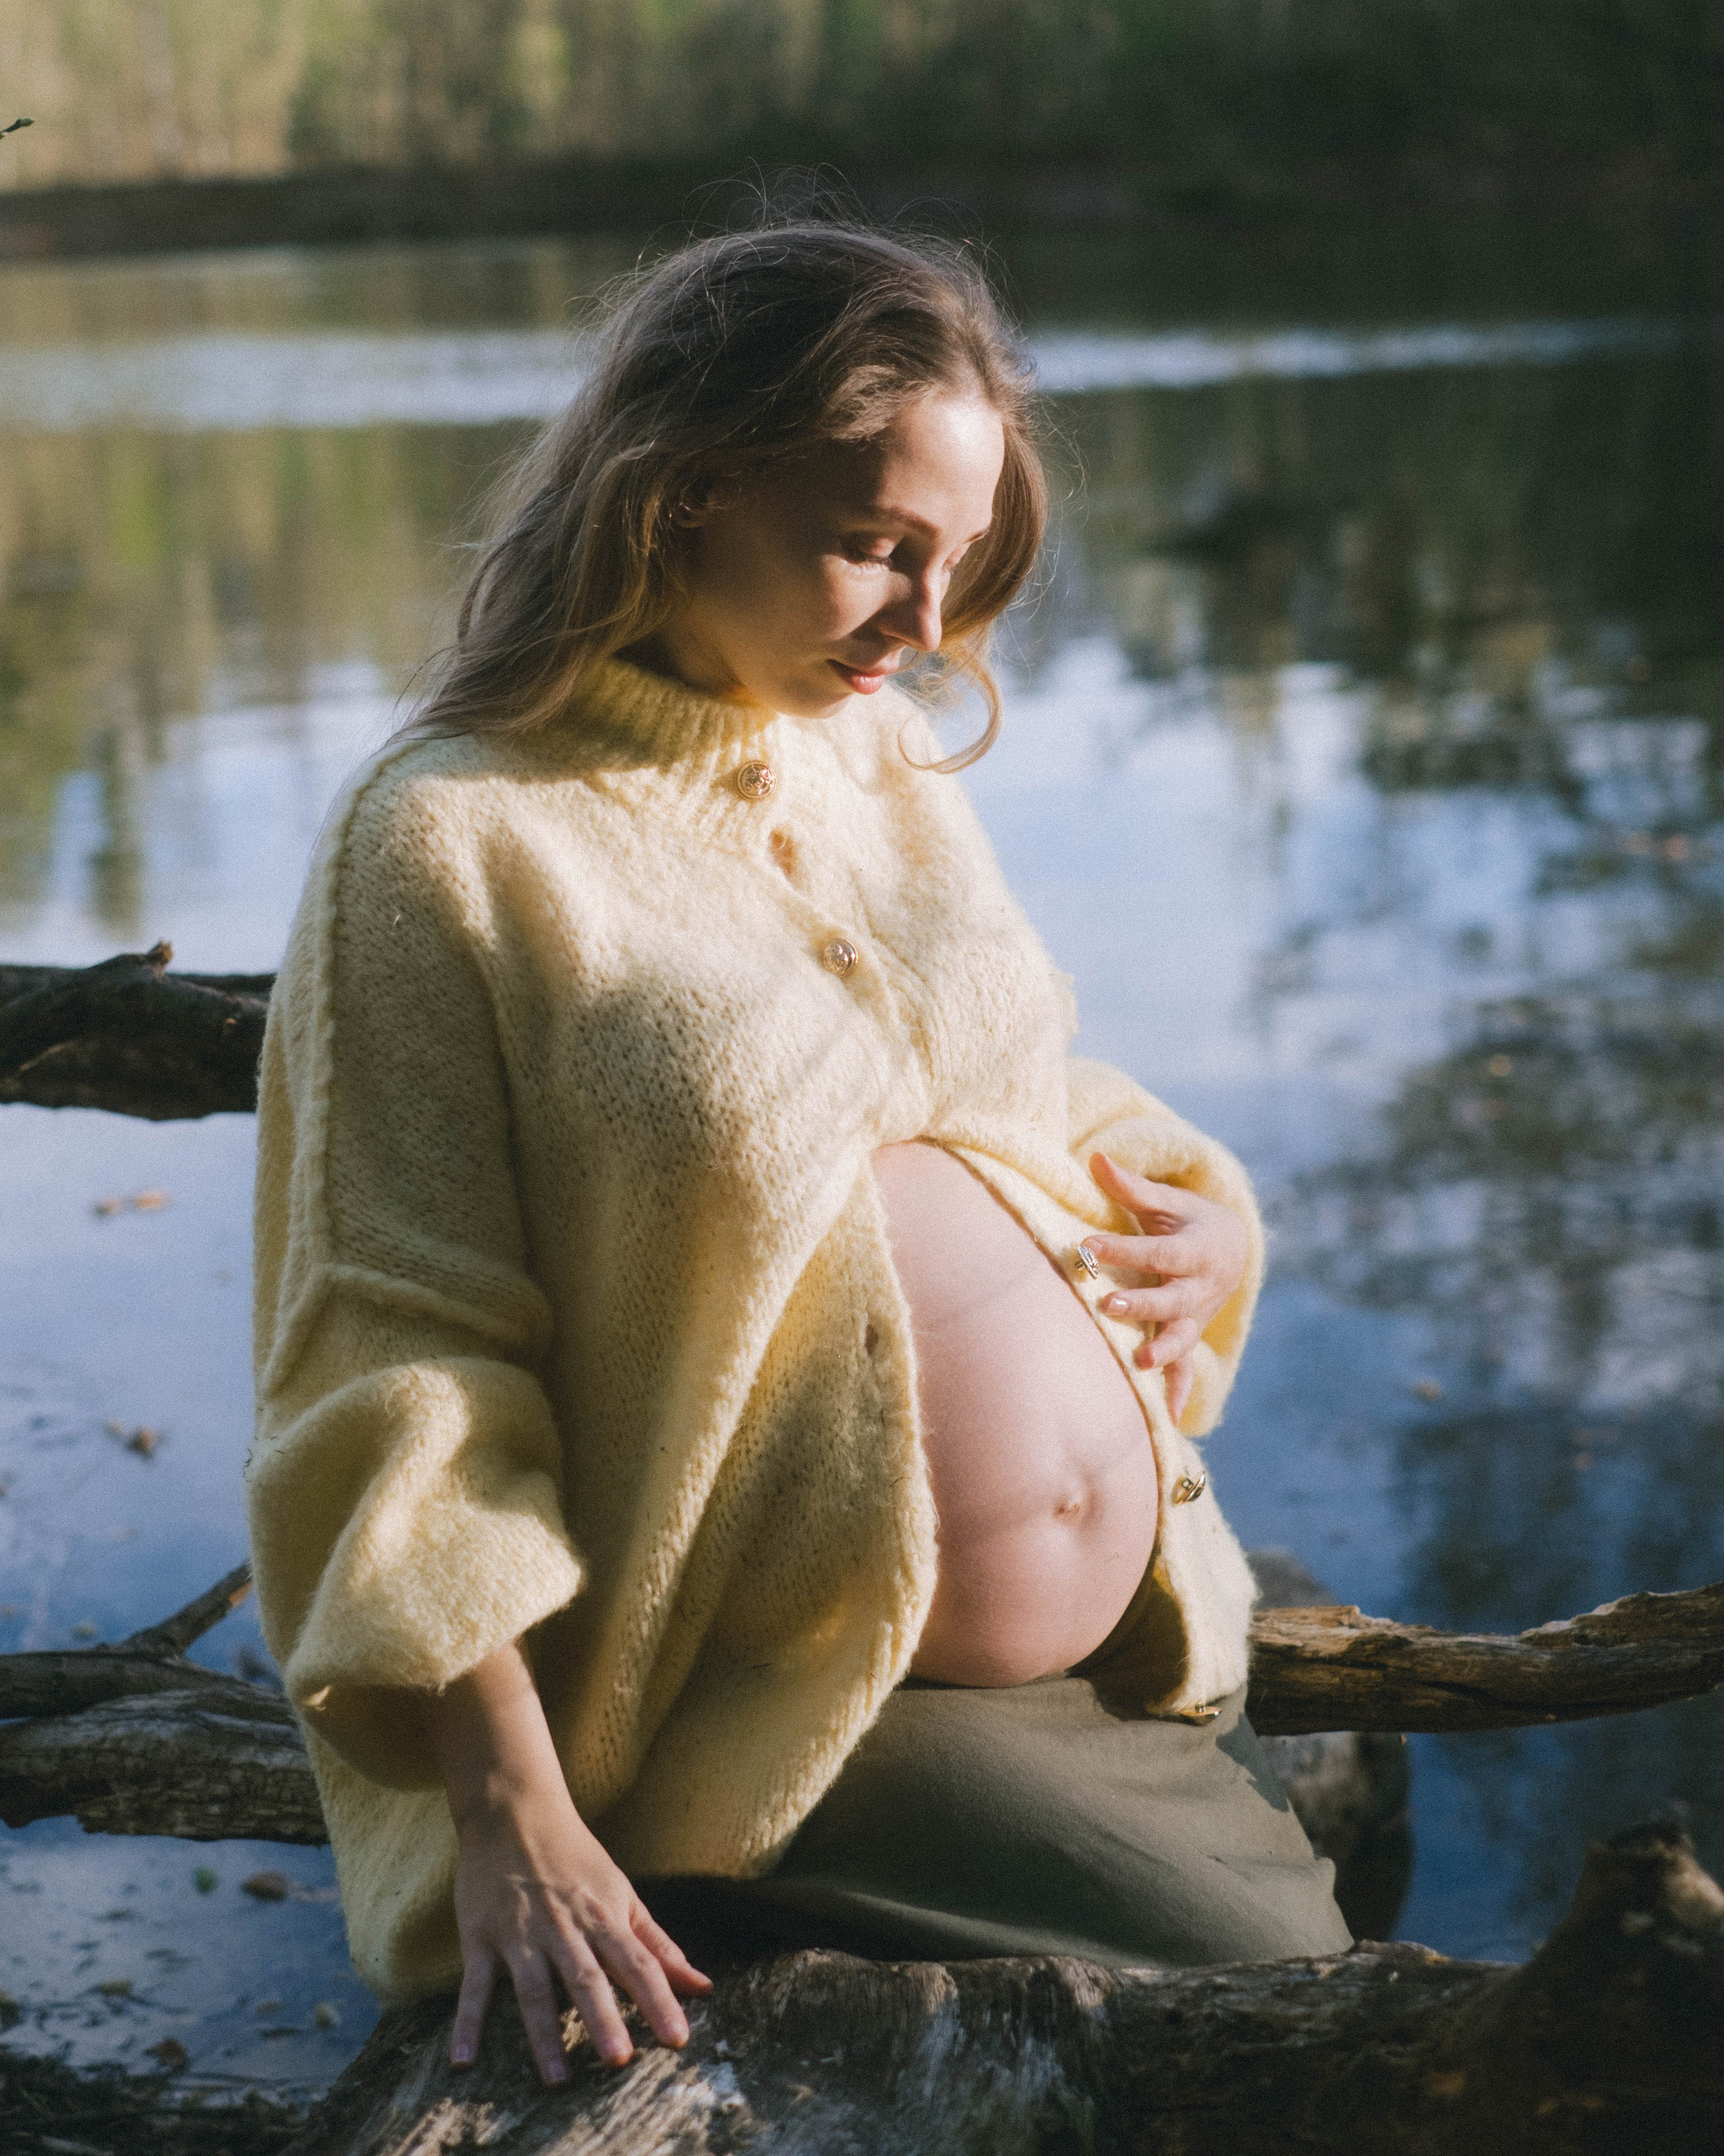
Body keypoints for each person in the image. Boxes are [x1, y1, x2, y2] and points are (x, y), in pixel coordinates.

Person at [245, 218, 1350, 2093]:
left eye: (958, 561)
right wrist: (509, 1801)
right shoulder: (448, 840)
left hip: (1101, 1648)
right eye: (880, 546)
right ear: (683, 490)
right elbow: (395, 1360)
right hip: (763, 1708)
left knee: (1333, 2000)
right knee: (1301, 2023)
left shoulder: (869, 757)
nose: (927, 626)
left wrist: (1202, 1215)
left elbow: (1004, 1080)